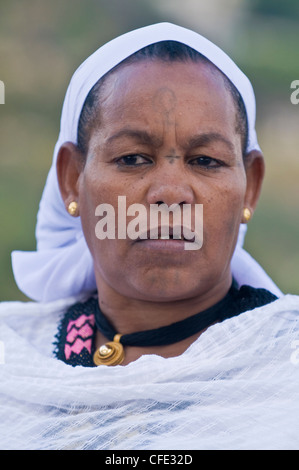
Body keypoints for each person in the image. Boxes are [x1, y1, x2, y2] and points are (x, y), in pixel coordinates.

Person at [1, 22, 298, 450]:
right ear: (72, 179)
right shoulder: (11, 357)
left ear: (250, 186)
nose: (171, 193)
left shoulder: (287, 366)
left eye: (206, 161)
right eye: (133, 158)